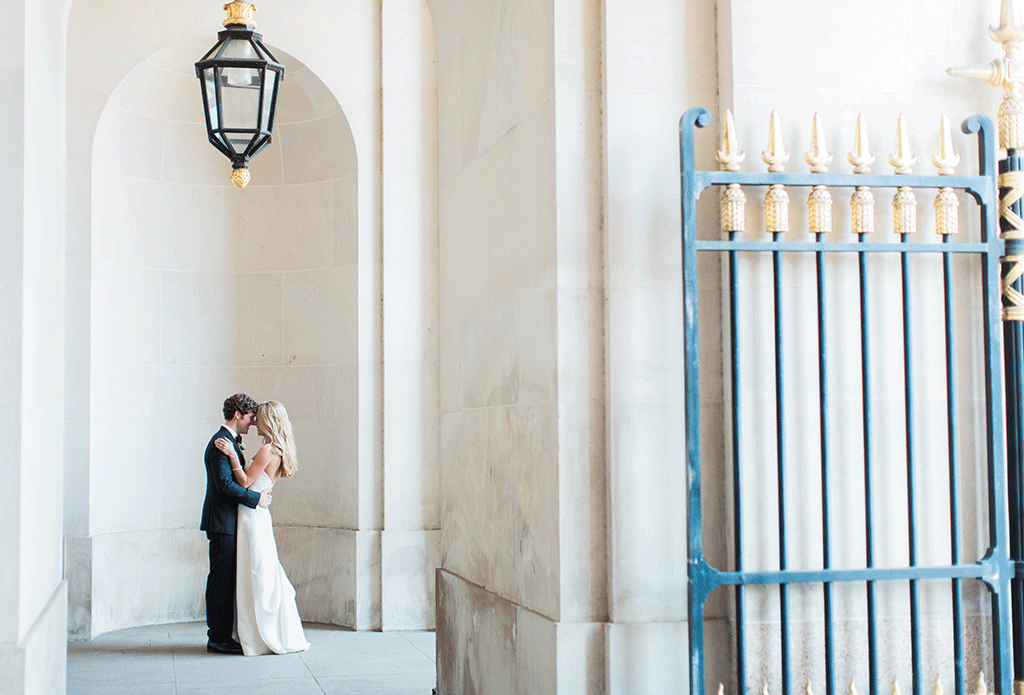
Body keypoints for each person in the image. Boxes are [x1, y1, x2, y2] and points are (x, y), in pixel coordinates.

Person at [214, 400, 310, 656]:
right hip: (256, 514)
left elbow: (245, 482)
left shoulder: (267, 450)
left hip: (251, 516)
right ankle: (260, 630)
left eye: (259, 417)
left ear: (268, 421)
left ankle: (258, 634)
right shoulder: (280, 449)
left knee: (255, 571)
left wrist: (234, 456)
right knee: (261, 570)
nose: (255, 421)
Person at [200, 393, 271, 655]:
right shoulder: (220, 443)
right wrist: (256, 499)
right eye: (250, 417)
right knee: (220, 581)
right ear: (237, 415)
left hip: (228, 522)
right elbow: (226, 485)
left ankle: (222, 635)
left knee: (226, 580)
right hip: (221, 523)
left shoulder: (230, 441)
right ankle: (216, 638)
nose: (253, 423)